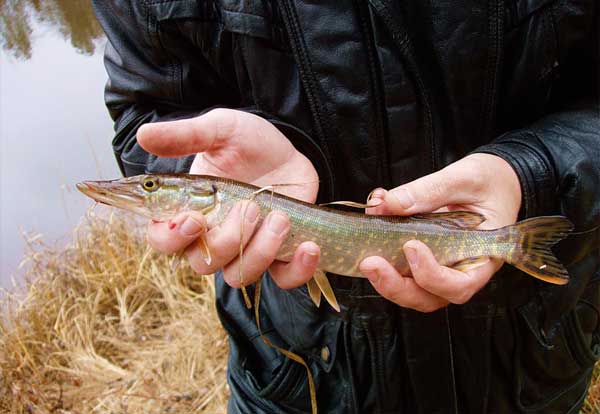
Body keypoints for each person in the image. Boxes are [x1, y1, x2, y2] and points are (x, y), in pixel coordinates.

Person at [92, 1, 599, 412]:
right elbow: (147, 112)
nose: (146, 192)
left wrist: (531, 172)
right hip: (295, 378)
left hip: (527, 363)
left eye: (153, 190)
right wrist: (183, 167)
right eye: (154, 189)